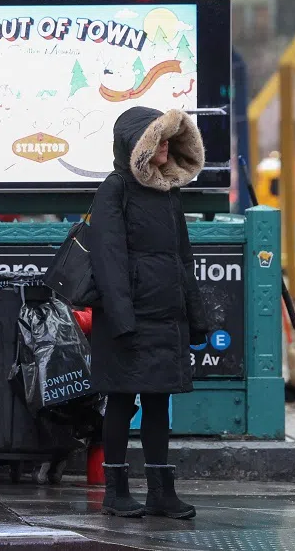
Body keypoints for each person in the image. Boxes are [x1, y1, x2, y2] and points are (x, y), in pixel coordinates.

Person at [86, 106, 209, 520]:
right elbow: (108, 258)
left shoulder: (169, 192)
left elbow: (182, 259)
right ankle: (115, 492)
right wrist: (122, 320)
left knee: (159, 404)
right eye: (158, 138)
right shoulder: (115, 189)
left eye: (169, 138)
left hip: (165, 317)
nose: (166, 145)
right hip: (130, 319)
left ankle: (161, 492)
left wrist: (196, 316)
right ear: (137, 145)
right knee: (121, 401)